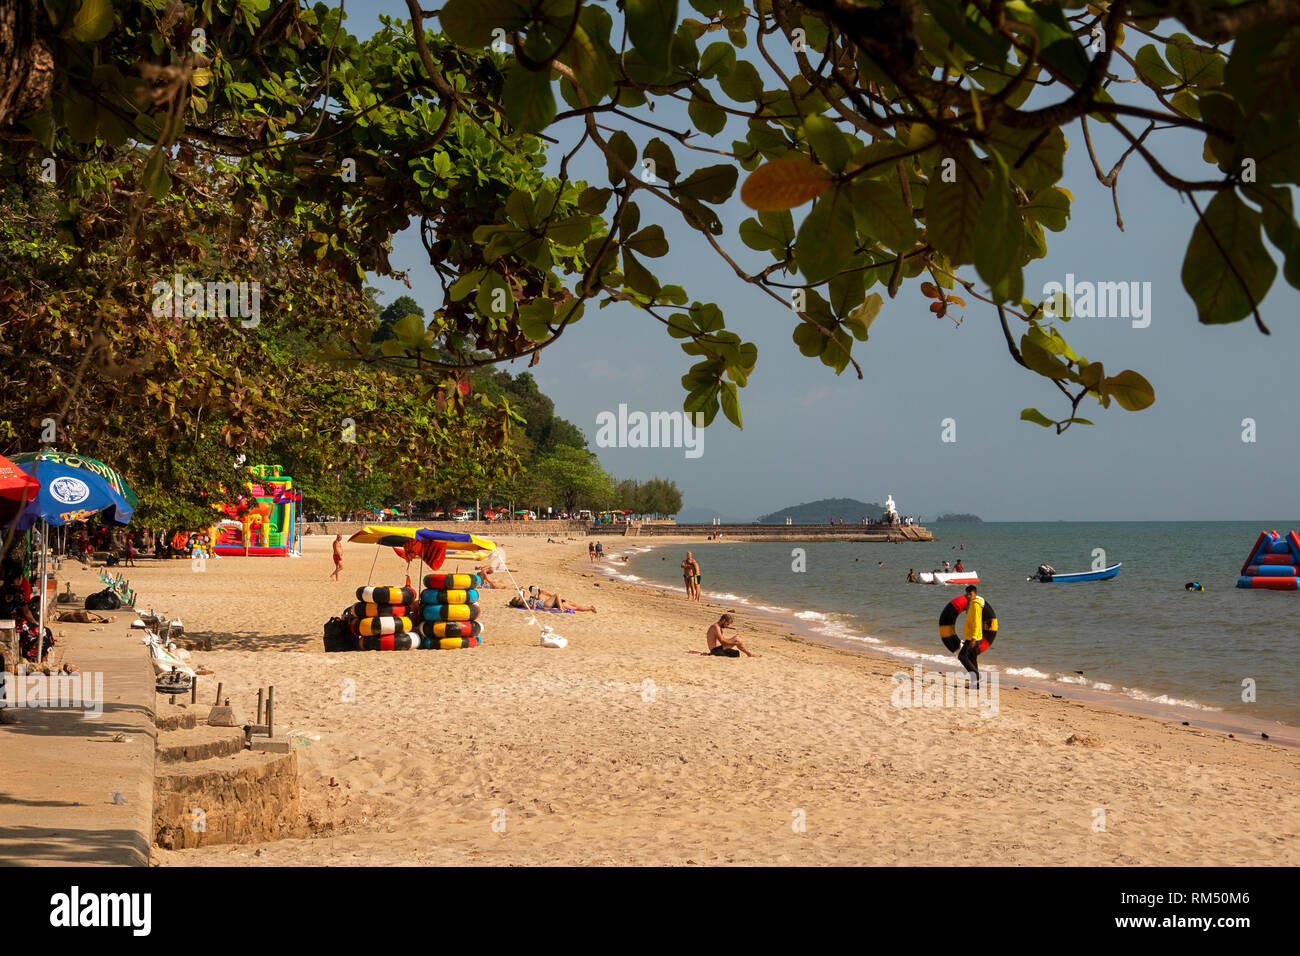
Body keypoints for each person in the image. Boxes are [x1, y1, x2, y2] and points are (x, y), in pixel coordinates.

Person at [956, 585, 992, 687]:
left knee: (962, 656)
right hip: (973, 637)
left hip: (973, 638)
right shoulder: (971, 604)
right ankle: (975, 684)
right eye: (967, 594)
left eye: (970, 594)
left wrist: (973, 639)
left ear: (975, 594)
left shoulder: (976, 606)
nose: (968, 596)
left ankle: (978, 677)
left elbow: (976, 623)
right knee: (972, 658)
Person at [509, 588, 596, 612]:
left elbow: (523, 596)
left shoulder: (524, 601)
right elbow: (533, 608)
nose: (520, 598)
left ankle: (589, 608)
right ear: (518, 603)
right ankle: (590, 608)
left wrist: (522, 591)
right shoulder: (524, 604)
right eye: (518, 599)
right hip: (545, 604)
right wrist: (535, 599)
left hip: (547, 603)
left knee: (576, 606)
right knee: (557, 595)